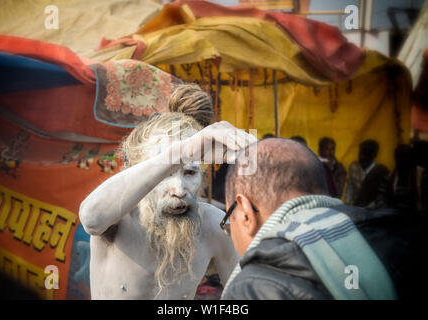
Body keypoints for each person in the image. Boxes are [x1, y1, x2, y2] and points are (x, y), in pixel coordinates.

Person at [79, 84, 256, 299]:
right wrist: (182, 151)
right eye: (165, 174)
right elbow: (91, 219)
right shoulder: (118, 215)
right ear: (143, 172)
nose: (180, 190)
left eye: (190, 173)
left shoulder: (214, 226)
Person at [220, 138, 427, 300]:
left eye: (229, 220)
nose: (230, 230)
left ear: (245, 212)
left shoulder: (254, 286)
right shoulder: (402, 229)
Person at [345, 139, 390, 208]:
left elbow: (381, 198)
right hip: (355, 208)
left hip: (373, 212)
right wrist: (347, 205)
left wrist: (366, 209)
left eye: (366, 154)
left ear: (374, 156)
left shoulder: (381, 172)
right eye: (360, 153)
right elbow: (350, 187)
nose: (362, 157)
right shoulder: (353, 167)